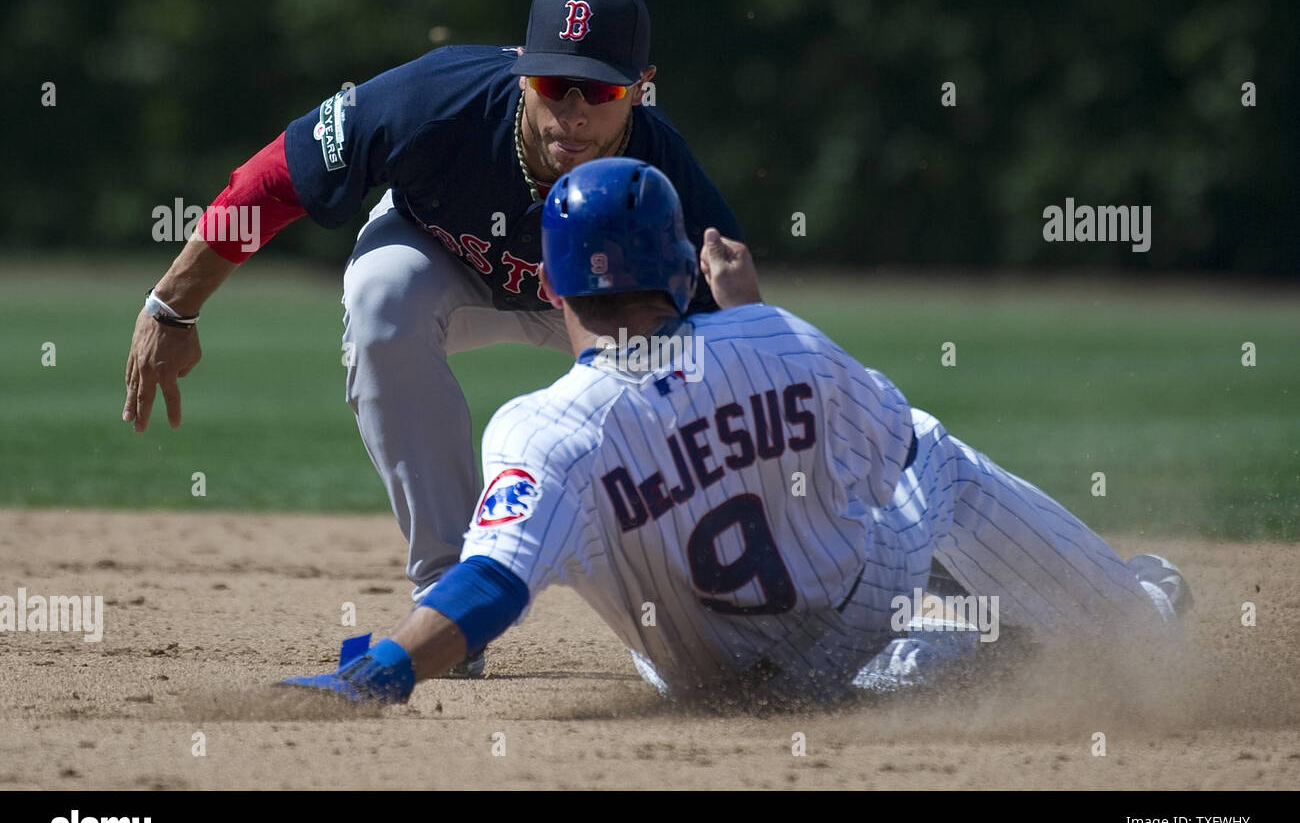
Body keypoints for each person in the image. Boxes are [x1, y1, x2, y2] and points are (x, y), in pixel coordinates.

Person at [279, 157, 1193, 706]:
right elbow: (871, 457)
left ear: (551, 288)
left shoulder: (541, 430)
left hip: (711, 683)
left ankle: (975, 646)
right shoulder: (777, 335)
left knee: (654, 591)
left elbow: (487, 587)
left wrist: (388, 669)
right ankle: (1130, 613)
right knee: (920, 446)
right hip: (859, 611)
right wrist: (750, 319)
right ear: (679, 277)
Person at [119, 0, 742, 676]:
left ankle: (703, 596)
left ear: (641, 84)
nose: (572, 112)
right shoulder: (435, 98)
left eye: (599, 91)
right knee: (382, 298)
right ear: (521, 73)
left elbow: (735, 341)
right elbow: (276, 178)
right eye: (551, 85)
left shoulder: (667, 177)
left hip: (589, 310)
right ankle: (449, 604)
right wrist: (172, 305)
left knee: (675, 367)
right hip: (439, 260)